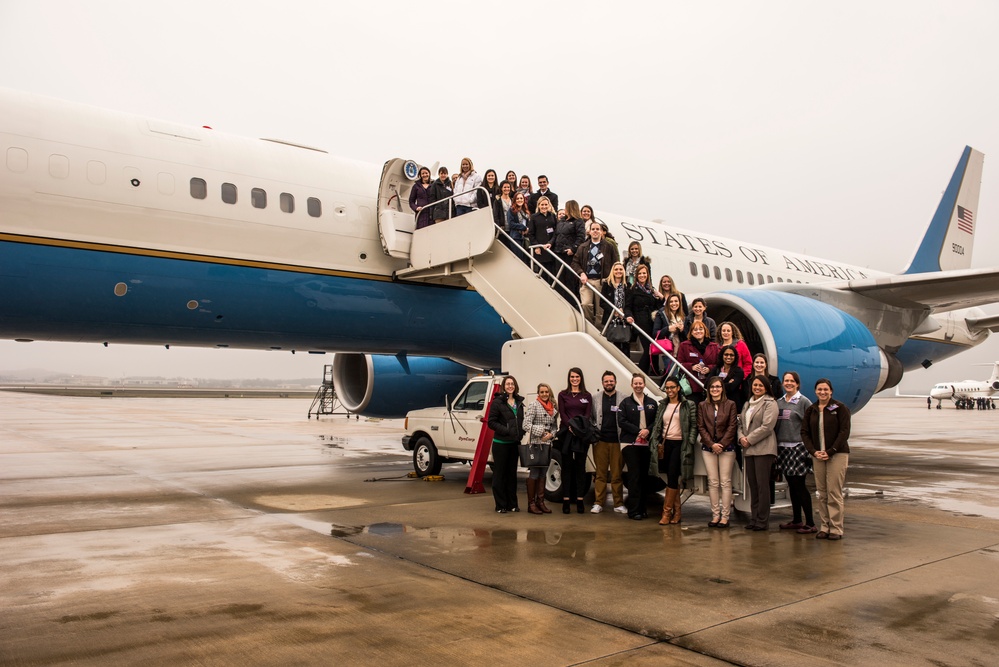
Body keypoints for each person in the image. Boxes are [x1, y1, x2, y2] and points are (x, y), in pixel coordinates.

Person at [801, 378, 852, 540]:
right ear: (815, 391)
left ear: (831, 391)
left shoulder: (840, 408)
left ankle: (836, 528)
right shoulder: (812, 410)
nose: (822, 392)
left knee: (834, 491)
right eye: (819, 390)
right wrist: (813, 451)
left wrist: (831, 451)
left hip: (837, 454)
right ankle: (824, 526)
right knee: (822, 493)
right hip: (818, 455)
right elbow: (804, 432)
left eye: (825, 390)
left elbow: (844, 432)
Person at [649, 376, 697, 525]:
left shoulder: (688, 405)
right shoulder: (662, 405)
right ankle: (677, 512)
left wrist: (690, 441)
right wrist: (654, 441)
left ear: (678, 388)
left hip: (680, 445)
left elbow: (694, 425)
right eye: (667, 388)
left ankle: (666, 513)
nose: (669, 390)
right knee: (671, 478)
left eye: (672, 387)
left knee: (672, 475)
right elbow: (658, 424)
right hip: (665, 444)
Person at [775, 372, 816, 534]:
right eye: (786, 381)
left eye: (792, 381)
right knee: (791, 485)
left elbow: (812, 425)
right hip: (783, 448)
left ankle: (810, 522)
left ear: (797, 384)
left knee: (800, 485)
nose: (789, 383)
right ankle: (797, 520)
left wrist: (810, 449)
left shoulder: (804, 402)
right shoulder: (779, 403)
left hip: (798, 448)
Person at [738, 376, 779, 531]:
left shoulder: (770, 403)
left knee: (763, 486)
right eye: (755, 385)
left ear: (766, 387)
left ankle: (762, 520)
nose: (757, 387)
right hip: (749, 449)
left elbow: (767, 426)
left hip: (764, 449)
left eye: (761, 385)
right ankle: (754, 518)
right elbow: (740, 423)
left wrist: (749, 439)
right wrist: (741, 437)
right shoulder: (748, 403)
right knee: (753, 486)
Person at [697, 376, 738, 527]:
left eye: (718, 387)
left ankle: (725, 516)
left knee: (725, 482)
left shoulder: (731, 404)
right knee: (713, 482)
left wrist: (721, 444)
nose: (715, 389)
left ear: (722, 389)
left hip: (727, 448)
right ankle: (715, 515)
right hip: (708, 448)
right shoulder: (702, 405)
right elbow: (700, 426)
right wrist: (712, 444)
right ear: (708, 389)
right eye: (712, 387)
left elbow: (732, 426)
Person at [617, 373, 658, 520]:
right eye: (635, 383)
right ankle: (633, 511)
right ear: (632, 385)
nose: (638, 385)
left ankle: (642, 508)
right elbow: (622, 421)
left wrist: (648, 430)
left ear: (644, 384)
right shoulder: (625, 403)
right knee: (634, 477)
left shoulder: (652, 402)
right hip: (630, 443)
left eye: (640, 383)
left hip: (646, 444)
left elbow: (657, 422)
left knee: (644, 477)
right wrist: (639, 431)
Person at [557, 367, 593, 514]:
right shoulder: (562, 394)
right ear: (569, 378)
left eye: (577, 377)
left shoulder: (587, 395)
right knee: (566, 467)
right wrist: (571, 426)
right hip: (566, 433)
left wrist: (578, 429)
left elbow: (587, 414)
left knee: (580, 467)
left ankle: (579, 499)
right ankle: (566, 499)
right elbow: (562, 412)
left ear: (581, 378)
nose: (574, 379)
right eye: (572, 377)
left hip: (581, 434)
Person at [486, 376, 525, 514]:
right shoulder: (498, 402)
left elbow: (521, 421)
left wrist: (521, 431)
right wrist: (506, 430)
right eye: (507, 384)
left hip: (514, 444)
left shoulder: (519, 402)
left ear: (515, 386)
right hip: (501, 444)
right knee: (500, 475)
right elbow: (491, 422)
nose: (510, 386)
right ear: (503, 386)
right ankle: (500, 505)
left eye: (512, 384)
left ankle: (512, 504)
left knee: (511, 475)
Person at [590, 371, 626, 514]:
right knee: (600, 474)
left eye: (611, 381)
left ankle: (618, 503)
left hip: (617, 442)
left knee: (617, 475)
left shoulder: (623, 398)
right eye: (606, 381)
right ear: (602, 383)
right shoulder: (596, 398)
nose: (609, 383)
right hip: (601, 442)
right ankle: (598, 502)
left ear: (615, 382)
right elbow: (591, 418)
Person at [574, 220, 619, 325]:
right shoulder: (583, 247)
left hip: (602, 281)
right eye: (593, 229)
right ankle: (589, 325)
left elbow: (615, 263)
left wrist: (611, 279)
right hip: (587, 281)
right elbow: (575, 263)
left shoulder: (609, 247)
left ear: (601, 232)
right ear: (589, 232)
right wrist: (581, 273)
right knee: (585, 304)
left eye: (597, 229)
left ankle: (599, 329)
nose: (595, 231)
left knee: (601, 309)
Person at [522, 382, 557, 514]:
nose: (544, 394)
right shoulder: (534, 405)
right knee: (535, 473)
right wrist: (541, 431)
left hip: (547, 444)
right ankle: (531, 504)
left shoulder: (553, 407)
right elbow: (525, 425)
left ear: (549, 393)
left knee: (543, 474)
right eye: (541, 392)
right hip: (536, 445)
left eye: (546, 392)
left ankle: (540, 502)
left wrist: (551, 435)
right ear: (538, 393)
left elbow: (554, 427)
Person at [624, 264, 663, 374]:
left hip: (652, 323)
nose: (642, 275)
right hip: (640, 322)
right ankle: (640, 373)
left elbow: (658, 307)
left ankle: (654, 371)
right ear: (636, 275)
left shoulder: (651, 290)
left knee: (653, 348)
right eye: (640, 273)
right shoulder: (632, 289)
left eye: (644, 273)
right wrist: (628, 316)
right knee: (648, 349)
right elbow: (627, 306)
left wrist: (661, 298)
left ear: (648, 275)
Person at [677, 321, 719, 403]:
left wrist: (709, 368)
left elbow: (719, 365)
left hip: (710, 384)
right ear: (691, 332)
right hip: (692, 385)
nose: (698, 331)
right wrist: (691, 366)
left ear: (705, 331)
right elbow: (679, 364)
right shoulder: (684, 345)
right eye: (695, 330)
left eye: (701, 329)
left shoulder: (714, 346)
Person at [553, 200, 586, 303]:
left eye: (567, 208)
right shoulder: (562, 221)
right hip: (558, 251)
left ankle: (570, 301)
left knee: (569, 279)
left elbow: (581, 237)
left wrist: (573, 249)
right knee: (559, 278)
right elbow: (556, 234)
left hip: (569, 253)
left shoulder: (578, 221)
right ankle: (559, 299)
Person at [600, 262, 631, 355]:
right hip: (610, 318)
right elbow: (602, 302)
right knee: (611, 347)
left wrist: (623, 312)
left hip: (623, 320)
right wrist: (614, 311)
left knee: (625, 346)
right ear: (612, 271)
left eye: (621, 269)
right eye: (616, 269)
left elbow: (629, 303)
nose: (618, 271)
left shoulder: (627, 285)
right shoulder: (607, 284)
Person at [651, 294, 685, 375]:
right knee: (674, 375)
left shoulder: (683, 317)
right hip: (668, 350)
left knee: (680, 376)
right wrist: (668, 329)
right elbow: (655, 334)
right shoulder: (661, 314)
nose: (674, 303)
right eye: (671, 302)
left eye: (676, 301)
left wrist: (682, 330)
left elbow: (687, 337)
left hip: (681, 351)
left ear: (679, 303)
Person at [528, 196, 558, 280]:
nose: (544, 206)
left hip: (551, 247)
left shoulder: (552, 216)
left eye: (546, 205)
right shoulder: (534, 217)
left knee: (552, 272)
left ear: (549, 205)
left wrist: (551, 242)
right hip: (541, 249)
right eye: (542, 205)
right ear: (539, 205)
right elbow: (531, 233)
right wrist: (537, 246)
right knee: (543, 273)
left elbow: (556, 231)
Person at [710, 345, 745, 410]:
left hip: (732, 405)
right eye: (726, 354)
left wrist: (715, 384)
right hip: (715, 404)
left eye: (731, 355)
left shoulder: (739, 371)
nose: (728, 357)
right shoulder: (716, 369)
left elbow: (732, 387)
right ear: (722, 355)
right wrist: (727, 383)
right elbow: (707, 384)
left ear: (735, 357)